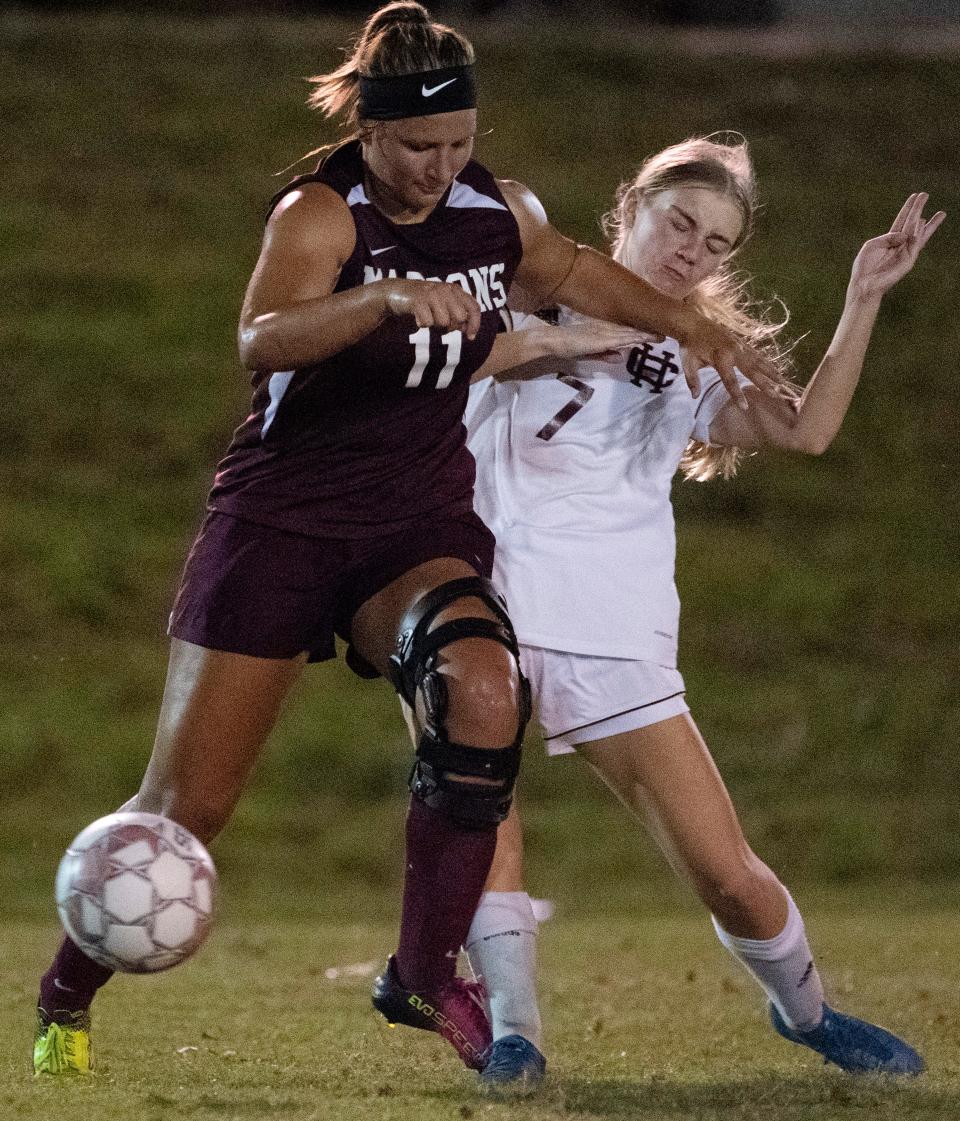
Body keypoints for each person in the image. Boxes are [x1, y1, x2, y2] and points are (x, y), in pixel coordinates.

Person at [31, 6, 780, 1079]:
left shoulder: (493, 210)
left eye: (458, 144)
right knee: (187, 809)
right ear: (371, 131)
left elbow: (570, 269)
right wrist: (379, 300)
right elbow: (261, 334)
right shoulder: (320, 215)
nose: (438, 168)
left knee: (483, 690)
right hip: (282, 520)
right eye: (417, 147)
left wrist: (692, 325)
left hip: (413, 522)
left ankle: (425, 971)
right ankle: (66, 993)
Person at [459, 134, 943, 1091]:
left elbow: (805, 429)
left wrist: (862, 300)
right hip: (485, 592)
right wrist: (554, 338)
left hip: (614, 620)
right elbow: (437, 368)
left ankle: (808, 1012)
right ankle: (514, 1035)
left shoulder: (696, 349)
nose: (691, 249)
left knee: (727, 872)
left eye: (716, 242)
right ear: (628, 207)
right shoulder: (522, 285)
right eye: (678, 220)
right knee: (481, 817)